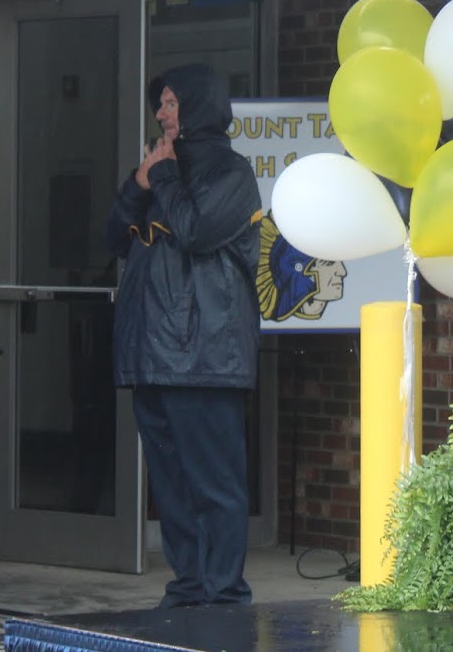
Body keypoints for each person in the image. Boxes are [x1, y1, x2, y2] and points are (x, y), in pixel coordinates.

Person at [106, 63, 262, 608]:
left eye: (171, 103)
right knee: (171, 487)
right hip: (151, 353)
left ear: (197, 107)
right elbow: (113, 236)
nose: (161, 113)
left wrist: (163, 177)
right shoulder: (159, 168)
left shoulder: (232, 172)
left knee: (214, 485)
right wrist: (137, 183)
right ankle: (189, 586)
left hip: (206, 353)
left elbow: (195, 233)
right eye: (161, 104)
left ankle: (223, 596)